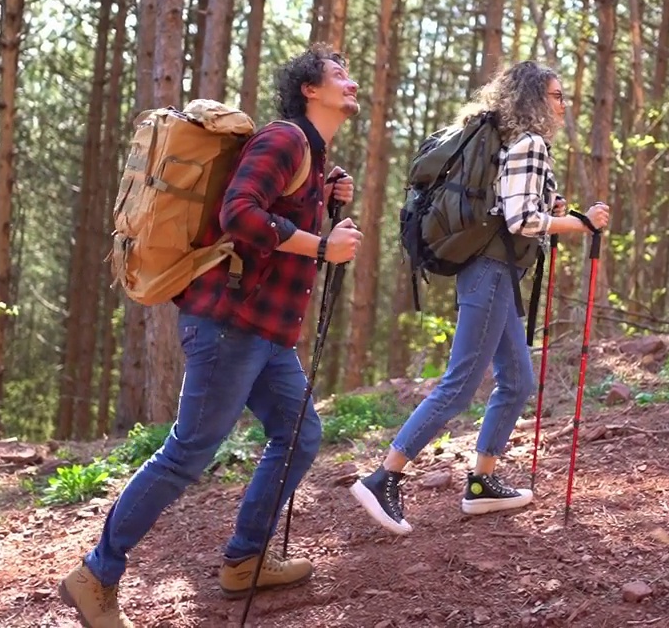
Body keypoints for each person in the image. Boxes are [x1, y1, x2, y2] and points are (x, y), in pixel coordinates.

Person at [59, 44, 363, 628]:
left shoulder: (313, 155)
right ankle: (96, 574)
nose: (350, 82)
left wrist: (324, 197)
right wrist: (321, 244)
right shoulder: (285, 140)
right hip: (228, 325)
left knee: (298, 435)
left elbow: (277, 215)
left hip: (265, 332)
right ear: (309, 90)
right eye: (338, 74)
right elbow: (239, 214)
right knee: (187, 453)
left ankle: (244, 561)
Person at [349, 60, 610, 535]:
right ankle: (383, 476)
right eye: (556, 95)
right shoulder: (529, 143)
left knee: (516, 379)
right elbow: (521, 222)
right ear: (534, 100)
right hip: (491, 273)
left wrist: (552, 208)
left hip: (495, 273)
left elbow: (515, 207)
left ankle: (482, 482)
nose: (563, 104)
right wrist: (581, 222)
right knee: (462, 382)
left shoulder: (509, 144)